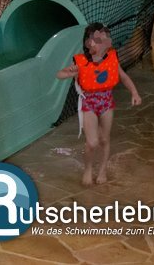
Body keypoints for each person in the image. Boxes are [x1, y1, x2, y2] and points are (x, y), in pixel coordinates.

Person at [57, 21, 142, 186]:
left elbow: (123, 77)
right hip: (89, 103)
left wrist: (134, 92)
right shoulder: (81, 62)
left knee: (104, 139)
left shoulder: (111, 58)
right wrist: (68, 73)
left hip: (106, 102)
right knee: (92, 142)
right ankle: (88, 169)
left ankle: (102, 170)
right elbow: (59, 74)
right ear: (88, 43)